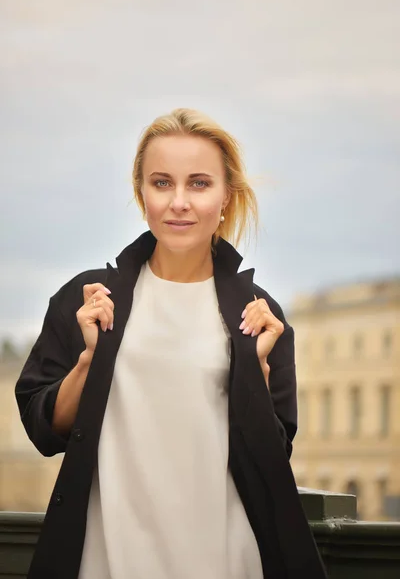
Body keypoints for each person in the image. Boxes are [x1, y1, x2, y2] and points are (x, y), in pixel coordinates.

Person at [15, 108, 327, 579]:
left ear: (227, 196)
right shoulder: (87, 300)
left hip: (223, 559)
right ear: (142, 195)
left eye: (199, 183)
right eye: (162, 183)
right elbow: (43, 430)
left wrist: (256, 376)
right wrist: (89, 361)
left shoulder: (261, 318)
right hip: (106, 559)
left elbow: (272, 458)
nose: (178, 201)